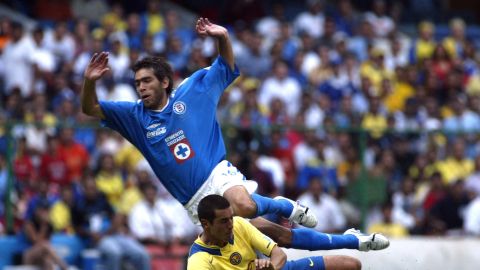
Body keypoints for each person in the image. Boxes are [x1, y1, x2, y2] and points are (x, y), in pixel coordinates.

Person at [81, 17, 389, 253]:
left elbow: (225, 64)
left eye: (147, 81)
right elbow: (91, 108)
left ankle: (285, 207)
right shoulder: (134, 116)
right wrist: (90, 81)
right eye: (137, 83)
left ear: (165, 82)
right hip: (194, 202)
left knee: (241, 205)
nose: (141, 87)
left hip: (218, 174)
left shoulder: (193, 90)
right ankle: (350, 240)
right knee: (276, 236)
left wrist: (223, 36)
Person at [189, 195, 365, 270]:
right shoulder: (199, 261)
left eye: (231, 218)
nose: (230, 225)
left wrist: (271, 266)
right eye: (223, 221)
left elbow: (278, 254)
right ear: (206, 224)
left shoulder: (239, 224)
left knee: (350, 265)